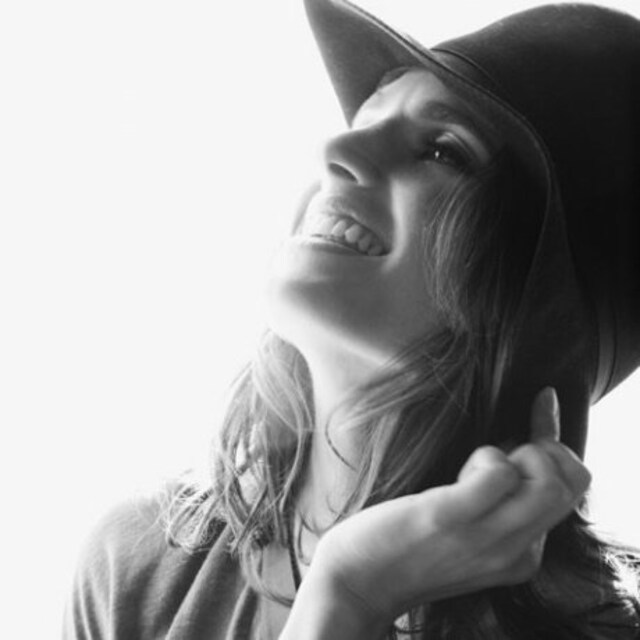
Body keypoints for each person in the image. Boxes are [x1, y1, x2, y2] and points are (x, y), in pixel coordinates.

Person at [64, 0, 640, 638]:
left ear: (537, 302)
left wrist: (352, 592)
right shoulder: (140, 566)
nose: (337, 147)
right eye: (364, 119)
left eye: (442, 150)